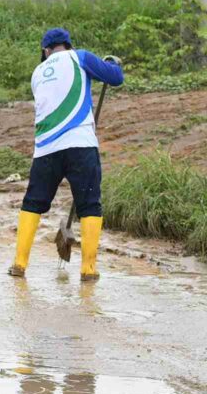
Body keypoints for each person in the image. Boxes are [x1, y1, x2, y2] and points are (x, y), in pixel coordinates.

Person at [9, 28, 123, 281]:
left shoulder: (37, 73)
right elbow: (115, 78)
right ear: (67, 45)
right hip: (80, 144)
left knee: (33, 202)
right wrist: (111, 64)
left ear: (46, 50)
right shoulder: (80, 57)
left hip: (46, 149)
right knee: (90, 204)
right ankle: (88, 270)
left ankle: (19, 264)